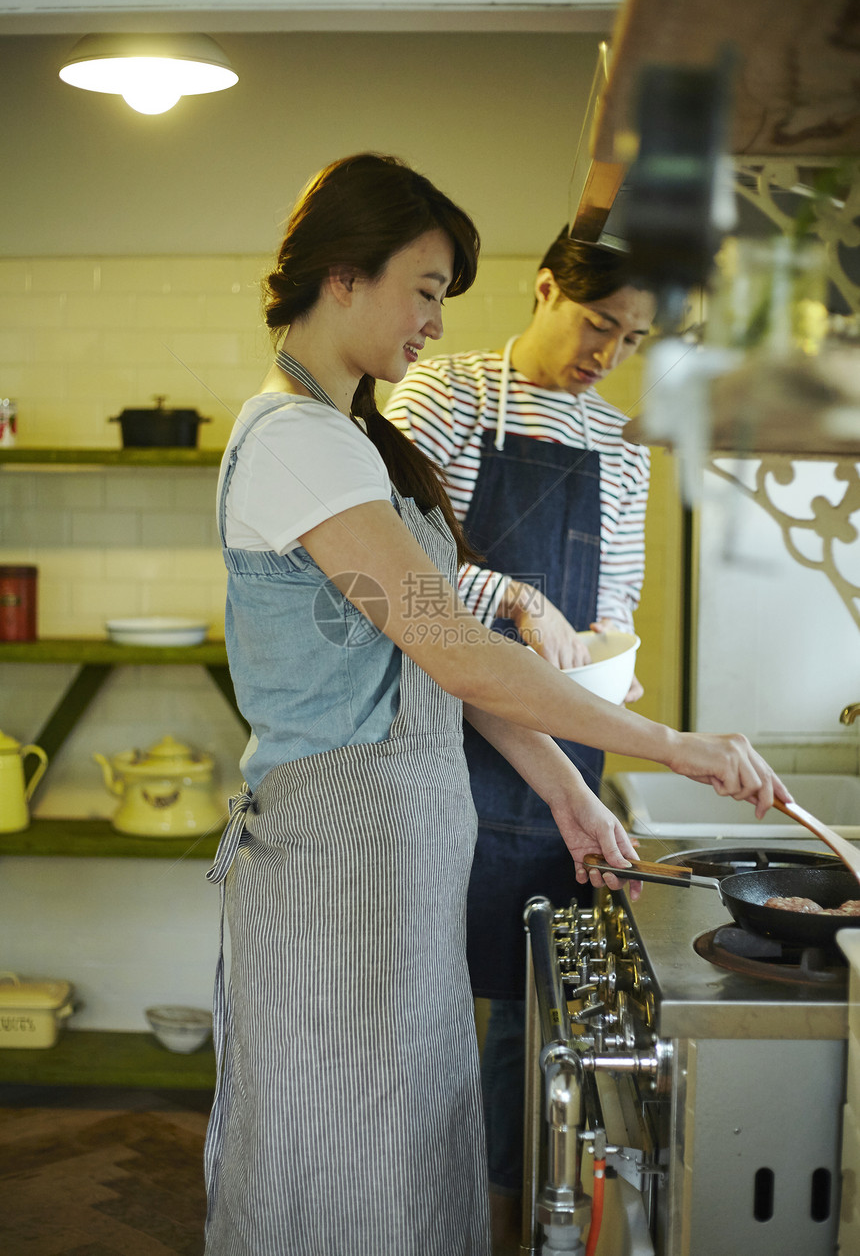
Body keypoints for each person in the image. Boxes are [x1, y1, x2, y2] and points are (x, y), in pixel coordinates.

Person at [205, 152, 787, 1256]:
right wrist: (669, 746)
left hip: (398, 859)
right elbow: (461, 651)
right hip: (338, 867)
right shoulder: (289, 440)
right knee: (333, 1166)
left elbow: (445, 665)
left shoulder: (354, 441)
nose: (432, 321)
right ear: (342, 276)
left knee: (409, 1153)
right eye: (422, 289)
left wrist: (569, 795)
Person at [385, 234, 658, 1246]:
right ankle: (409, 1212)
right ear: (544, 288)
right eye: (596, 323)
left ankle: (502, 1221)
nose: (607, 353)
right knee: (422, 996)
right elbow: (394, 563)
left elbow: (614, 602)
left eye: (629, 338)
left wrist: (607, 662)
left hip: (554, 746)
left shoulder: (620, 440)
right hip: (436, 736)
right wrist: (515, 597)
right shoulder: (444, 393)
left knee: (524, 1007)